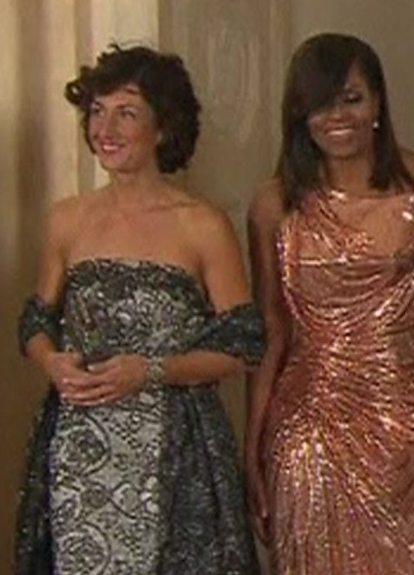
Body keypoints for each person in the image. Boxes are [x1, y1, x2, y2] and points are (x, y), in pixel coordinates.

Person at [245, 33, 414, 574]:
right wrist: (253, 447)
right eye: (319, 103)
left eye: (352, 98)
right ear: (298, 113)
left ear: (379, 102)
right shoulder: (273, 205)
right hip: (304, 431)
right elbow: (272, 333)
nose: (337, 116)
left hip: (409, 426)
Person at [15, 45, 263, 574]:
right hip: (80, 442)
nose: (106, 127)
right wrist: (51, 363)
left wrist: (149, 371)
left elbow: (243, 343)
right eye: (97, 111)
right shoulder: (67, 219)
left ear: (164, 128)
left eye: (126, 112)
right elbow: (37, 320)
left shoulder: (202, 224)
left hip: (176, 449)